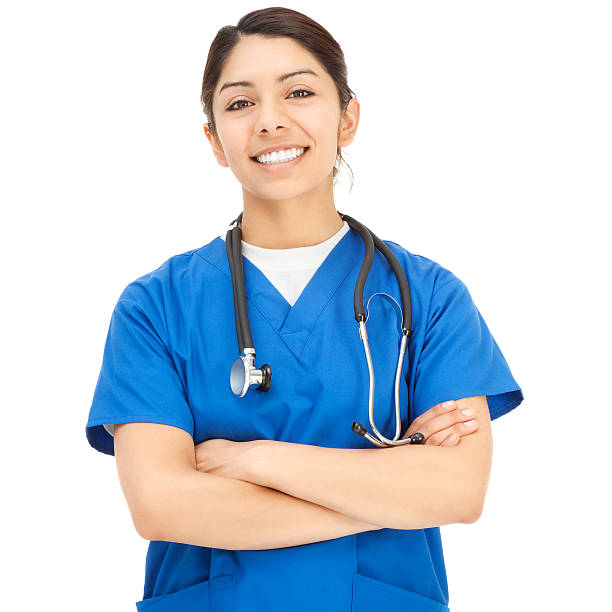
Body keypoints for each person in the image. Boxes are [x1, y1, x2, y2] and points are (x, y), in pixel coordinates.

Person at [85, 7, 524, 611]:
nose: (270, 121)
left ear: (348, 116)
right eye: (240, 104)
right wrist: (388, 487)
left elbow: (457, 490)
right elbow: (161, 506)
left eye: (299, 92)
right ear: (214, 140)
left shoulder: (429, 296)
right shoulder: (155, 306)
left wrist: (252, 460)